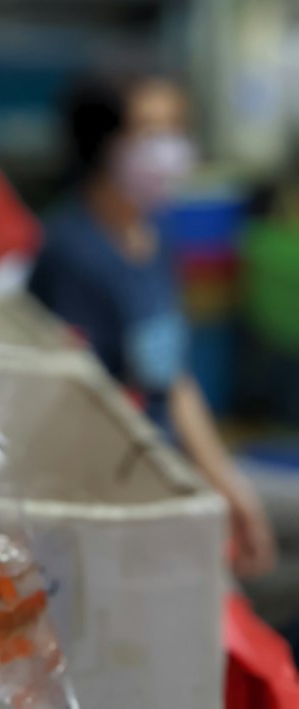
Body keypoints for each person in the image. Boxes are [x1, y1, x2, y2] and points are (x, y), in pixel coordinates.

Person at [28, 71, 276, 578]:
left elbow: (172, 379)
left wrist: (228, 484)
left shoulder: (156, 232)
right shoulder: (73, 255)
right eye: (147, 131)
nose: (167, 148)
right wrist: (196, 504)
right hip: (126, 489)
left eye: (174, 128)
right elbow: (87, 415)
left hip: (174, 467)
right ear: (102, 142)